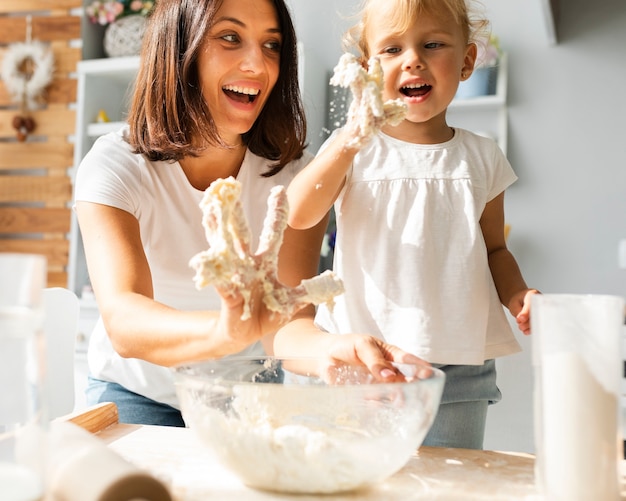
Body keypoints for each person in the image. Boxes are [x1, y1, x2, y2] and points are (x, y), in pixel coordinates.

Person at [74, 0, 422, 427]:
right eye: (230, 38)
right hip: (135, 394)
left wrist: (329, 350)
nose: (258, 65)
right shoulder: (116, 165)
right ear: (180, 47)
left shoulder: (295, 177)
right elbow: (125, 321)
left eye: (272, 45)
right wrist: (226, 332)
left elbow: (285, 325)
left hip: (243, 401)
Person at [286, 0, 539, 449]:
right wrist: (349, 138)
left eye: (433, 44)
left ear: (466, 62)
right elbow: (300, 213)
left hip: (458, 372)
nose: (413, 59)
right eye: (391, 49)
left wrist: (519, 294)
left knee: (448, 484)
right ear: (366, 69)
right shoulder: (354, 148)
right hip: (364, 359)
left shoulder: (483, 156)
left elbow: (495, 250)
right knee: (358, 479)